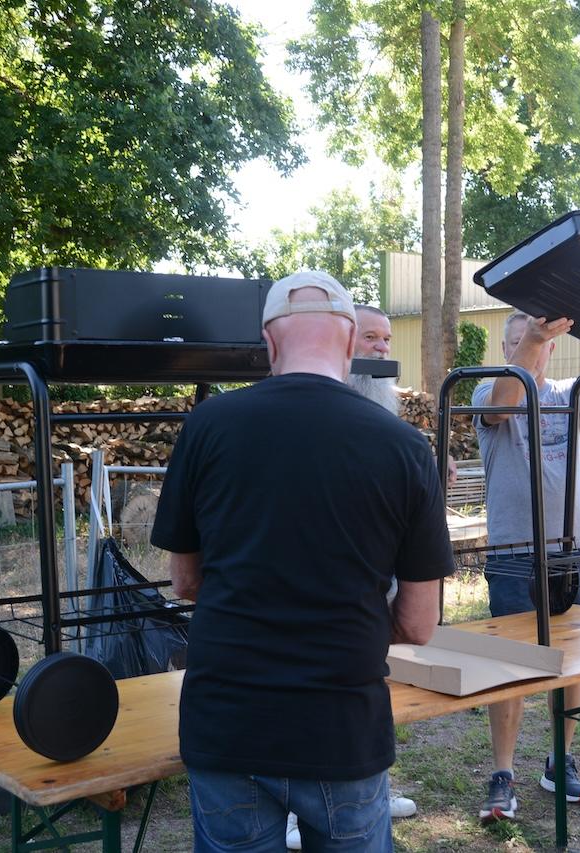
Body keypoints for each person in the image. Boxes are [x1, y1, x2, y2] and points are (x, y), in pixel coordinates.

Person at [152, 270, 455, 852]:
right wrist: (350, 622)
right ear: (349, 343)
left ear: (269, 344)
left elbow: (185, 580)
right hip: (342, 727)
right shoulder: (404, 447)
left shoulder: (208, 426)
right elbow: (419, 623)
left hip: (227, 721)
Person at [472, 310, 580, 822]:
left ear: (553, 348)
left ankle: (559, 761)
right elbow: (503, 407)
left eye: (539, 340)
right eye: (518, 341)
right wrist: (532, 339)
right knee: (510, 666)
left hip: (574, 547)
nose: (530, 347)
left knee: (573, 659)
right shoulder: (485, 393)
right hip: (514, 554)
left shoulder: (568, 394)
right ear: (506, 350)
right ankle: (503, 773)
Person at [282, 303, 419, 851]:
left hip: (375, 578)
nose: (383, 349)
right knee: (306, 685)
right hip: (314, 582)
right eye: (371, 338)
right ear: (342, 343)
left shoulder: (383, 404)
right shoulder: (310, 409)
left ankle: (370, 789)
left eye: (387, 339)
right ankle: (294, 808)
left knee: (371, 684)